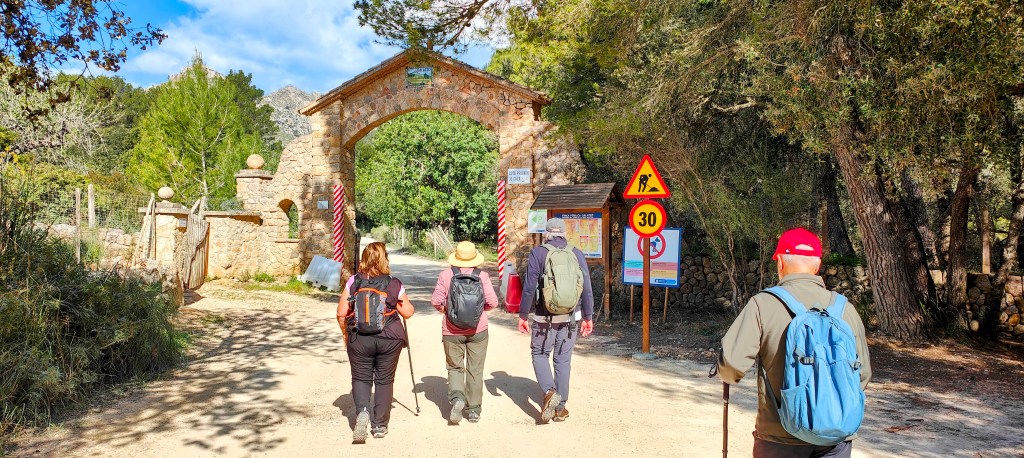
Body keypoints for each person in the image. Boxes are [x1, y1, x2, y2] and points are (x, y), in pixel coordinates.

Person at [718, 228, 871, 457]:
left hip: (780, 436)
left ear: (779, 263)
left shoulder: (763, 304)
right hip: (836, 437)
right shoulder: (845, 309)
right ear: (817, 266)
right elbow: (863, 374)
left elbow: (731, 365)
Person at [517, 217, 595, 423]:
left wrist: (523, 314)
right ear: (563, 233)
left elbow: (529, 286)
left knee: (540, 353)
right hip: (571, 316)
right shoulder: (576, 253)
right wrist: (588, 316)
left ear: (547, 234)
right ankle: (560, 408)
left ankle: (549, 392)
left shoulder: (538, 253)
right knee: (563, 359)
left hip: (545, 317)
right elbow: (587, 288)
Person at [336, 242, 415, 442]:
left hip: (360, 338)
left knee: (361, 378)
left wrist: (346, 334)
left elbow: (341, 313)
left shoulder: (353, 282)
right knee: (384, 380)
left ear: (364, 258)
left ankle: (362, 412)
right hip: (389, 338)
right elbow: (407, 312)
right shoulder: (393, 283)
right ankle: (379, 425)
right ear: (384, 259)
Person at [430, 241, 500, 424]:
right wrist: (478, 311)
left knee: (455, 367)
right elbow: (493, 302)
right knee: (475, 370)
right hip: (478, 330)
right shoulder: (482, 275)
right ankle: (474, 410)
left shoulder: (446, 275)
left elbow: (436, 301)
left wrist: (447, 311)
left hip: (451, 331)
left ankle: (457, 399)